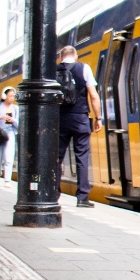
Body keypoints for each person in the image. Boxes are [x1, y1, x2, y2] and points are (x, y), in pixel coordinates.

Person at [57, 46, 102, 208]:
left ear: (60, 57)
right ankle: (82, 197)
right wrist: (98, 118)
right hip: (80, 118)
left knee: (57, 157)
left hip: (59, 119)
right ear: (75, 56)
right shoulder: (84, 68)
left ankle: (53, 194)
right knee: (82, 157)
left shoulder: (53, 71)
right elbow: (94, 96)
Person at [0, 87, 19, 186]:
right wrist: (0, 117)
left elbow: (19, 124)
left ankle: (7, 180)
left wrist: (13, 120)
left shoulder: (15, 108)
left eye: (13, 96)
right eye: (10, 96)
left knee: (8, 157)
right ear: (4, 96)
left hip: (10, 132)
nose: (12, 98)